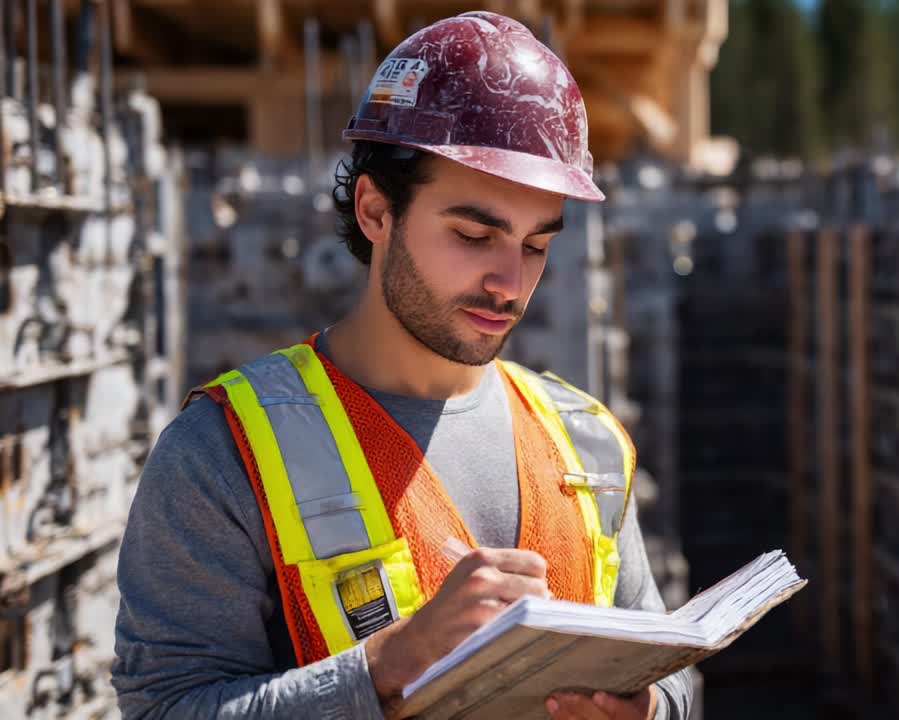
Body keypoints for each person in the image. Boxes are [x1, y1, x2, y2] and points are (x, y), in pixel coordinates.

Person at [111, 12, 692, 720]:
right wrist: (386, 666)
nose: (511, 281)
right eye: (474, 234)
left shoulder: (588, 444)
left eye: (536, 245)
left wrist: (651, 707)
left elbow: (670, 674)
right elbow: (163, 709)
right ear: (375, 211)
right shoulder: (225, 454)